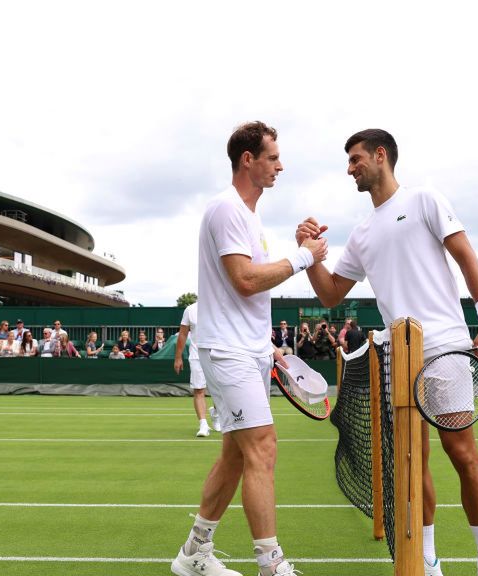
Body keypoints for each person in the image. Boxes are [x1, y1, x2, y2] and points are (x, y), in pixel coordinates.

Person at [295, 128, 478, 576]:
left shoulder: (425, 199)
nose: (350, 168)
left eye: (355, 159)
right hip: (398, 357)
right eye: (348, 162)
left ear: (380, 155)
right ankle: (426, 559)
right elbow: (332, 294)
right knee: (413, 460)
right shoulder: (361, 233)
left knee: (463, 454)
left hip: (446, 349)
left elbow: (467, 256)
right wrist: (309, 257)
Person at [171, 121, 327, 576]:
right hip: (228, 353)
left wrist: (272, 348)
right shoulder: (225, 210)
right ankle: (271, 564)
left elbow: (253, 292)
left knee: (236, 455)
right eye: (273, 157)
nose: (280, 165)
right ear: (248, 160)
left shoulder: (249, 217)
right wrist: (303, 257)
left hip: (251, 351)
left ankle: (194, 552)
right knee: (263, 446)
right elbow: (244, 281)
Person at [175, 301, 218, 437]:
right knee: (199, 390)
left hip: (220, 355)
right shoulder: (190, 309)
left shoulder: (223, 306)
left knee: (221, 391)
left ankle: (216, 413)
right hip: (197, 355)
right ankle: (203, 424)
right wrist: (178, 357)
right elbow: (182, 334)